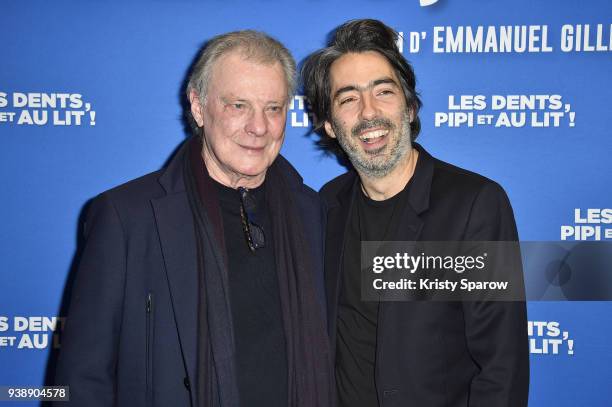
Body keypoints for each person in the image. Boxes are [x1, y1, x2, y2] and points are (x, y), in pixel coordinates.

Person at [55, 30, 333, 407]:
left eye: (273, 107)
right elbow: (82, 382)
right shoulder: (126, 218)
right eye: (238, 105)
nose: (258, 127)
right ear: (199, 107)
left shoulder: (314, 213)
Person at [302, 19, 529, 407]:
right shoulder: (326, 205)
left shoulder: (475, 204)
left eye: (383, 91)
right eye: (348, 98)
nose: (369, 112)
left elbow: (502, 367)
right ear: (329, 126)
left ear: (409, 107)